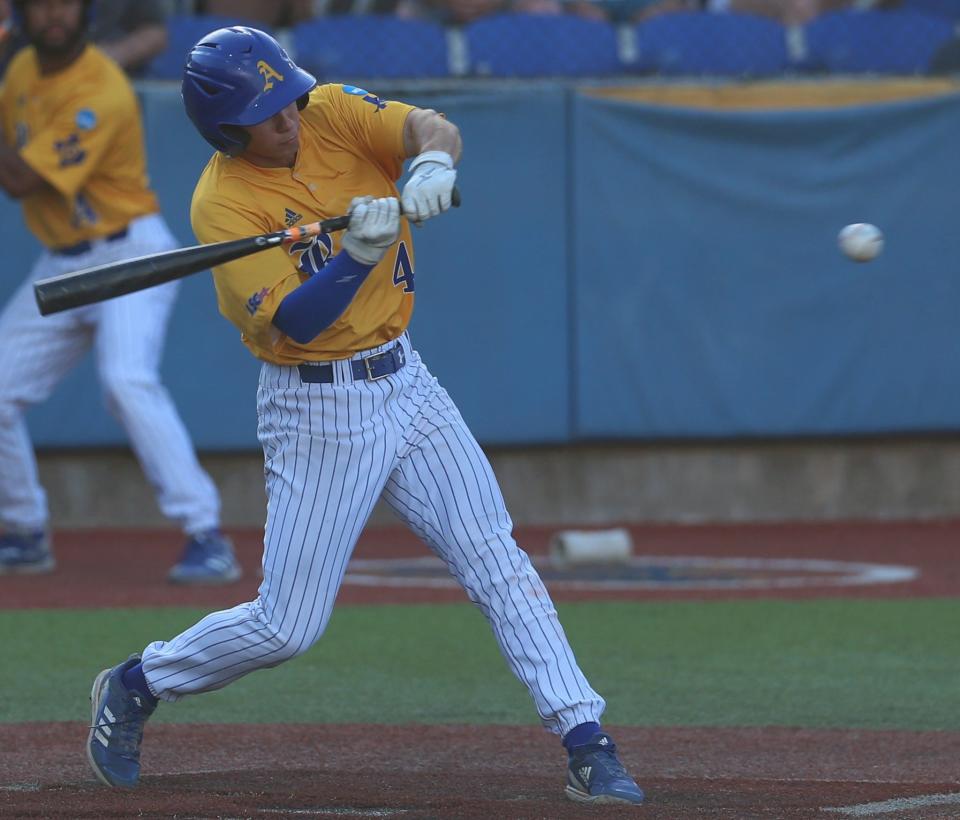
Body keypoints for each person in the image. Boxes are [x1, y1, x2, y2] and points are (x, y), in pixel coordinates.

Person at [84, 25, 645, 807]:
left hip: (407, 380)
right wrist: (355, 256)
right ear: (226, 128)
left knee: (495, 558)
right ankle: (140, 682)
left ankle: (588, 742)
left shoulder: (329, 109)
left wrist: (432, 161)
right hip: (317, 407)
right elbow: (299, 324)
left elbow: (426, 126)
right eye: (269, 111)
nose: (290, 117)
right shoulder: (224, 203)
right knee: (288, 627)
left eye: (288, 97)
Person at [0, 0, 240, 585]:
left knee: (126, 381)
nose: (53, 15)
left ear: (85, 14)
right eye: (40, 6)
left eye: (65, 5)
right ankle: (25, 529)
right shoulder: (23, 72)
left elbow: (20, 179)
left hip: (130, 256)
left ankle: (206, 535)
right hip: (63, 261)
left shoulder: (102, 88)